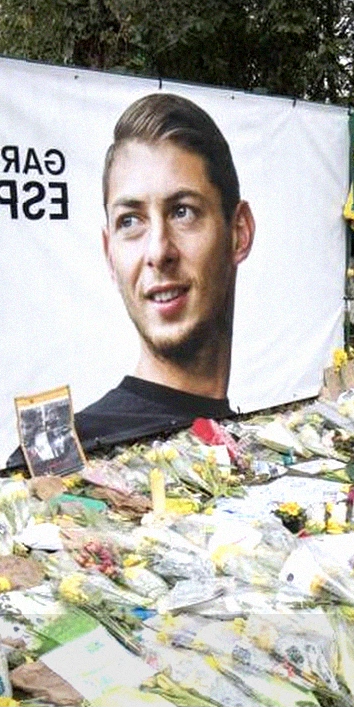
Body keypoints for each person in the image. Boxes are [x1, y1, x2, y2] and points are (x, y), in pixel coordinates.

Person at [74, 93, 256, 449]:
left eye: (182, 212)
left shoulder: (251, 438)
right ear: (110, 254)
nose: (158, 252)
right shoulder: (75, 456)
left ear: (239, 232)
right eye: (130, 221)